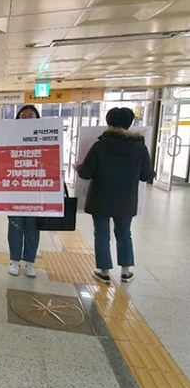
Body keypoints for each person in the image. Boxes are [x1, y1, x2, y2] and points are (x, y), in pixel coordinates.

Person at [76, 107, 155, 284]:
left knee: (102, 234)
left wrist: (78, 167)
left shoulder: (100, 145)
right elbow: (147, 175)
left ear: (109, 122)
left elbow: (86, 173)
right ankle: (126, 271)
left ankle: (104, 271)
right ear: (129, 123)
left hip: (101, 197)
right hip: (126, 199)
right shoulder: (139, 147)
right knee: (124, 233)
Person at [8, 105, 41, 277]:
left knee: (32, 228)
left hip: (36, 191)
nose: (27, 118)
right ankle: (14, 260)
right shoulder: (10, 137)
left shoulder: (45, 138)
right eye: (23, 115)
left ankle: (30, 262)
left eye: (31, 115)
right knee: (15, 226)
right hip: (15, 190)